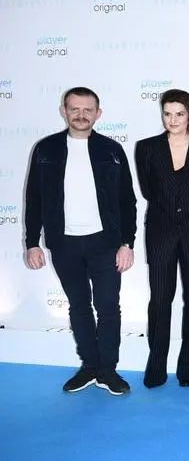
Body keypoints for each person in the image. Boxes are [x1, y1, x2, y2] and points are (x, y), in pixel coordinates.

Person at [24, 86, 137, 395]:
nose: (81, 115)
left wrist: (127, 243)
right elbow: (34, 199)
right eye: (74, 109)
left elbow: (127, 201)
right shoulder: (46, 149)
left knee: (108, 307)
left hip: (105, 244)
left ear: (98, 113)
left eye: (88, 109)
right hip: (64, 244)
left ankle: (107, 370)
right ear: (64, 111)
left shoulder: (112, 150)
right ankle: (89, 366)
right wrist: (32, 242)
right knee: (79, 306)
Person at [135, 89, 189, 388]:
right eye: (167, 114)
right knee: (159, 300)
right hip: (160, 231)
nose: (173, 119)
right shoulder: (146, 148)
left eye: (179, 114)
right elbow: (148, 190)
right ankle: (156, 366)